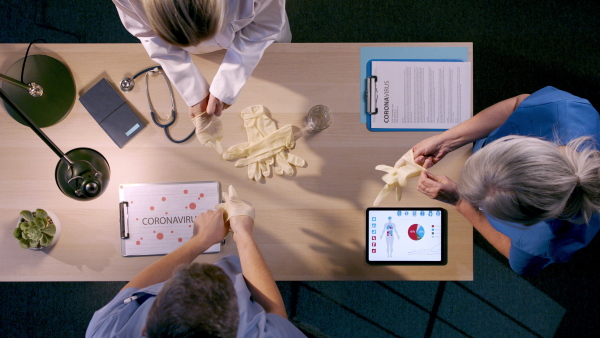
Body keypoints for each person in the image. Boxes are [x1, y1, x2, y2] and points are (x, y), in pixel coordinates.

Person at [408, 86, 600, 275]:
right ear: (527, 143)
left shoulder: (545, 241)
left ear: (525, 220)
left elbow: (515, 258)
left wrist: (460, 201)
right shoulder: (566, 109)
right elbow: (518, 104)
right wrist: (447, 141)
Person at [86, 186, 305, 337]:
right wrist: (243, 235)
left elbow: (132, 291)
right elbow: (276, 317)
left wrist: (200, 240)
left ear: (145, 330)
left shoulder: (102, 333)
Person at [112, 0, 291, 118]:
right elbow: (149, 34)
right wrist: (193, 91)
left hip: (261, 31)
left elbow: (265, 26)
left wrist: (229, 81)